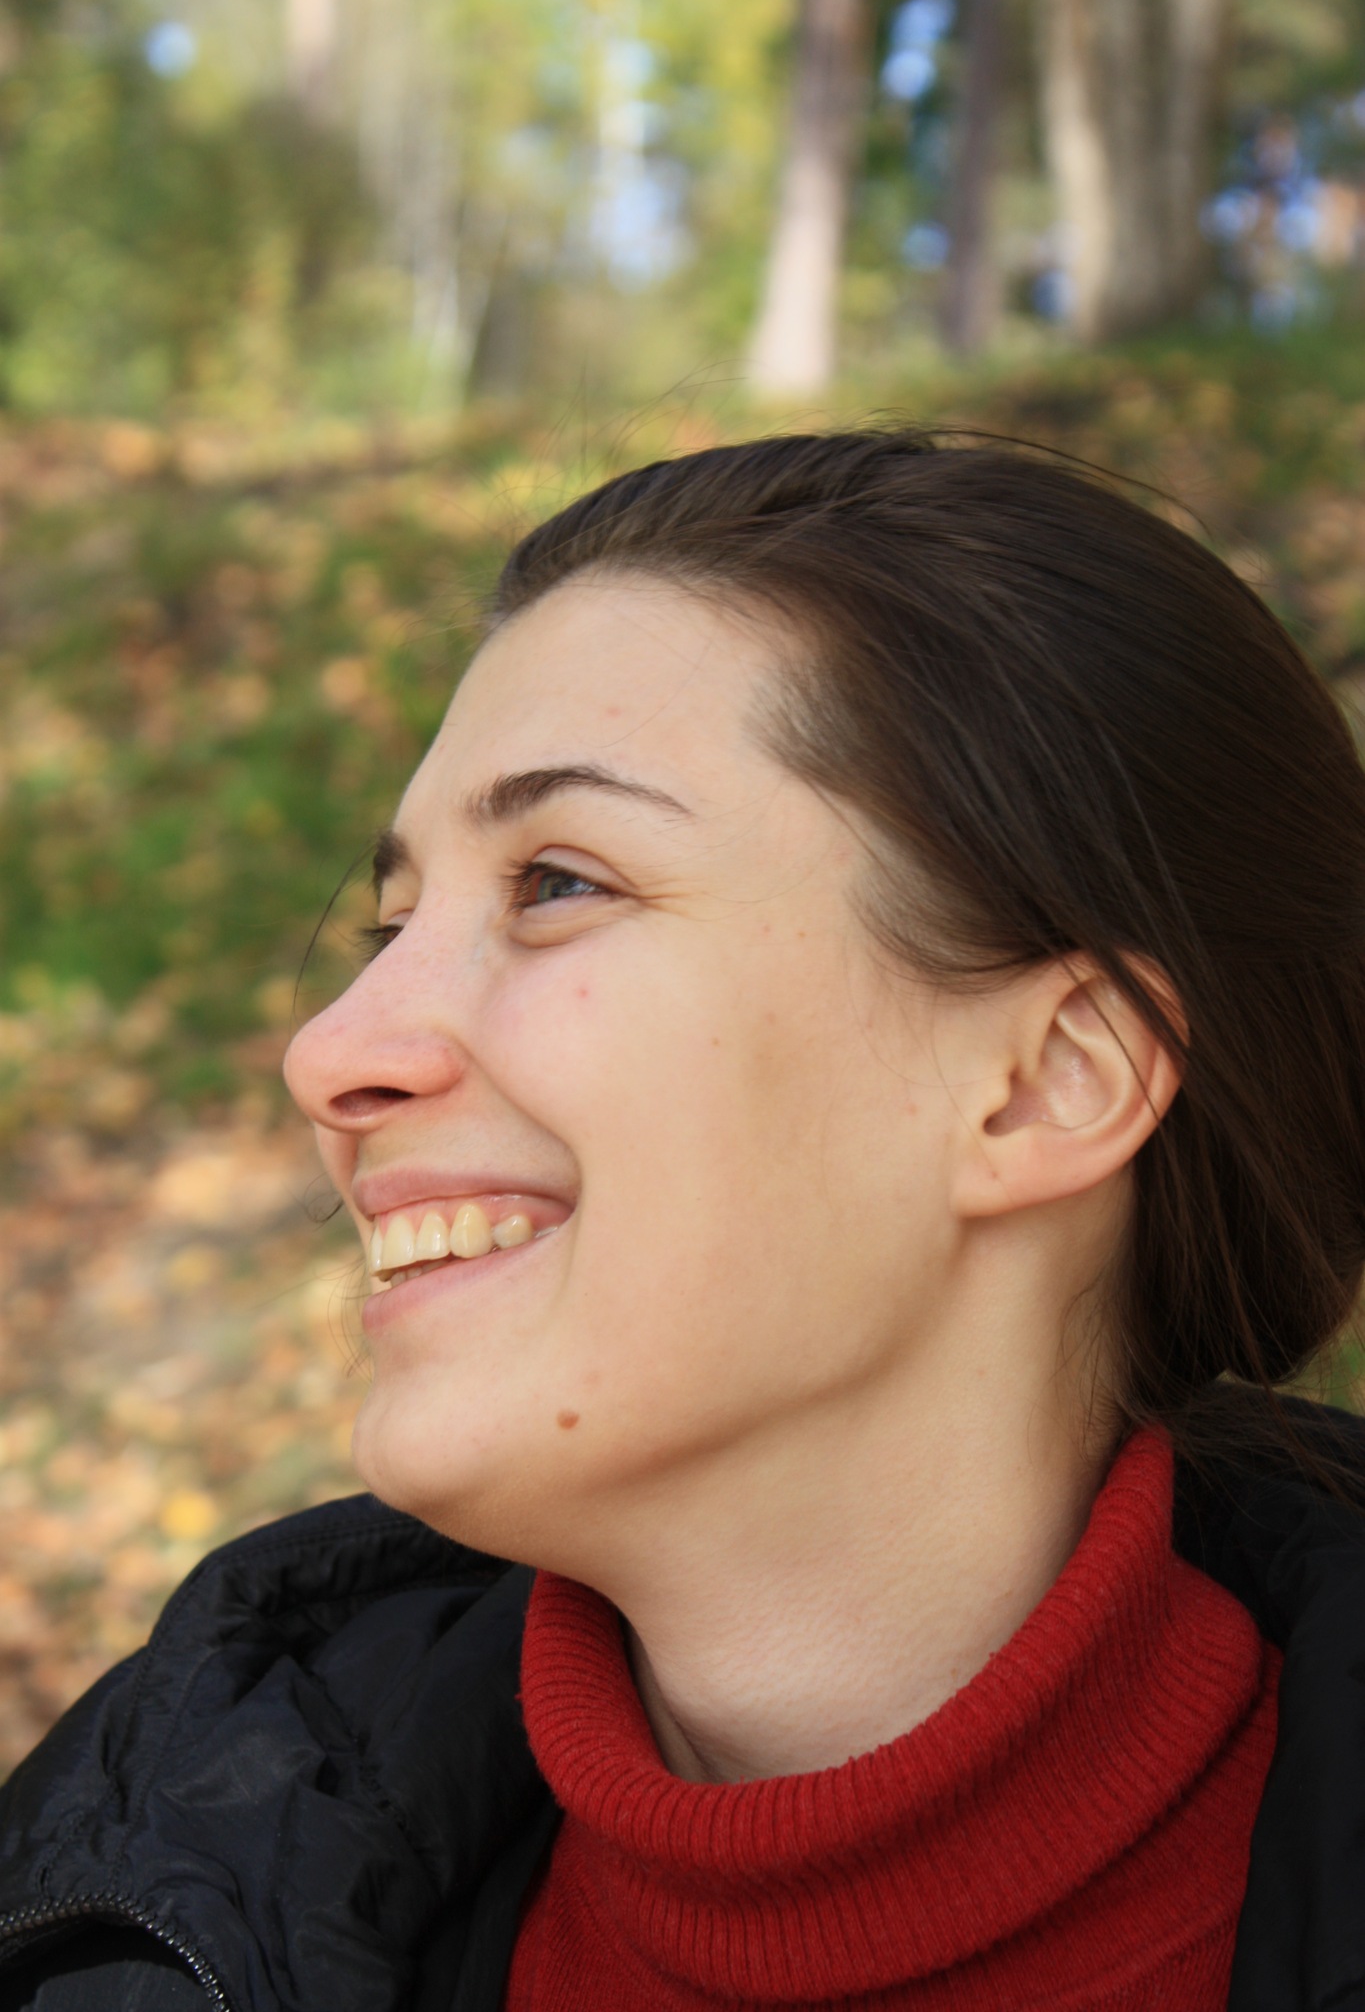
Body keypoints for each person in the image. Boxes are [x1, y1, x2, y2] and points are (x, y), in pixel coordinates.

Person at [2, 429, 1365, 2012]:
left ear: (1046, 1083)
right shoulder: (115, 1908)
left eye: (558, 883)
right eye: (391, 924)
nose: (331, 1053)